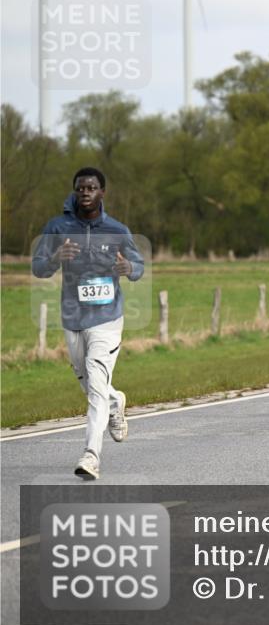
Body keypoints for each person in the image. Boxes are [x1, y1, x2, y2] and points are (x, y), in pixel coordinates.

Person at [30, 167, 145, 480]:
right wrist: (56, 258)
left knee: (95, 383)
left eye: (91, 187)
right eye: (80, 188)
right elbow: (38, 268)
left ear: (102, 193)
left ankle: (91, 456)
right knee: (88, 382)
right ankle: (115, 399)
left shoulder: (118, 230)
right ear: (74, 192)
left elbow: (139, 267)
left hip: (107, 318)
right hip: (73, 318)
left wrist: (128, 267)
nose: (85, 192)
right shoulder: (57, 227)